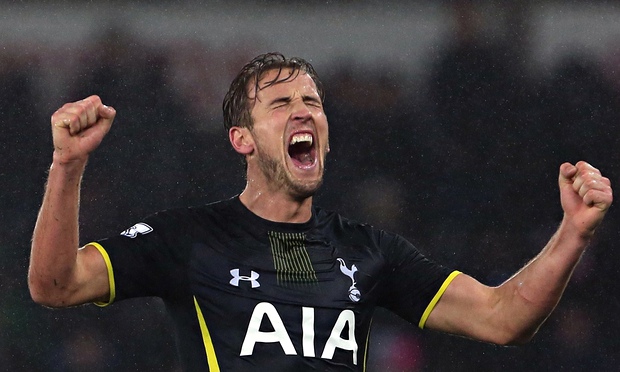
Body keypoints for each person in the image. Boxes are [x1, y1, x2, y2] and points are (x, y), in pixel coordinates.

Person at [29, 52, 612, 371]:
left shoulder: (370, 252)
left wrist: (573, 234)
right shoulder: (190, 237)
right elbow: (55, 285)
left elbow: (503, 318)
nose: (303, 111)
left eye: (312, 101)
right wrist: (67, 168)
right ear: (243, 140)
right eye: (281, 103)